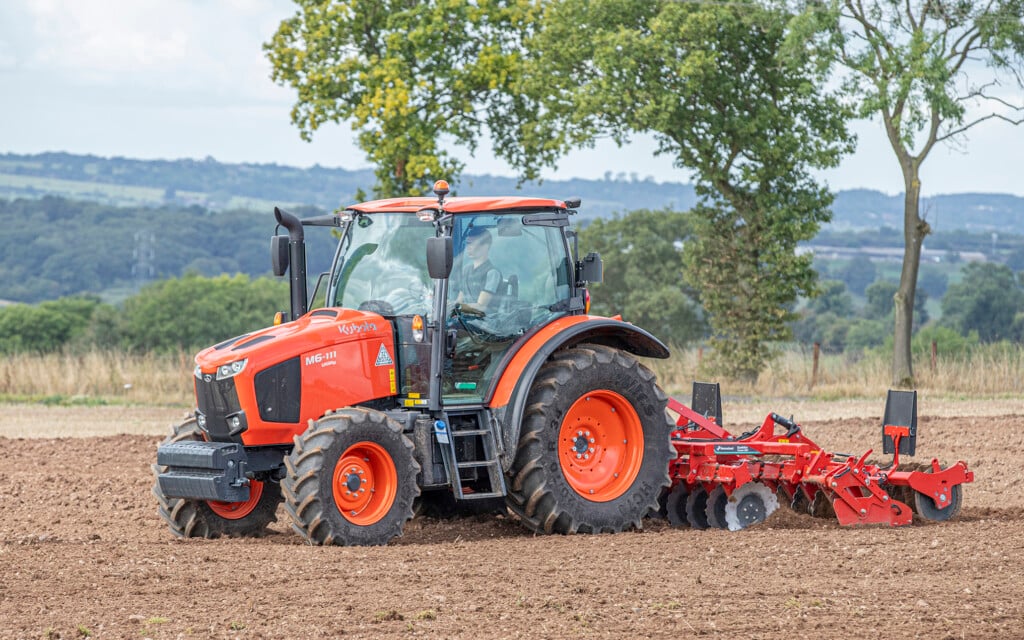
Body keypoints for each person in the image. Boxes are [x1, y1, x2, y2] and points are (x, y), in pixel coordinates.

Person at [454, 226, 501, 315]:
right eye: (467, 243)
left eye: (471, 243)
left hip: (483, 324)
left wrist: (457, 307)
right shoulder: (466, 270)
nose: (468, 247)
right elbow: (459, 300)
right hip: (465, 320)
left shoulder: (492, 273)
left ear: (485, 246)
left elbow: (481, 306)